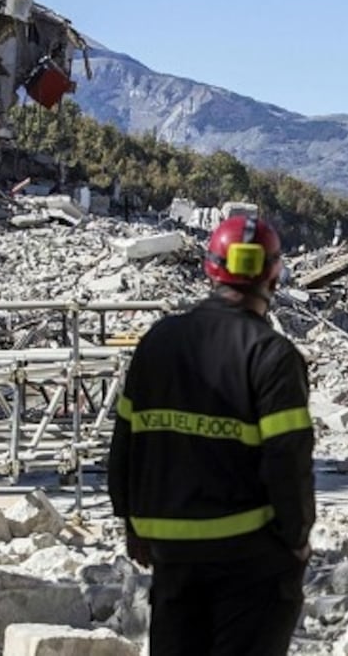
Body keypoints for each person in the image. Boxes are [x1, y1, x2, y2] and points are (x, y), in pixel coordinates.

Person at [108, 215, 315, 655]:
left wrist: (131, 521)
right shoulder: (273, 356)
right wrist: (297, 537)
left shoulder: (157, 342)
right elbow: (288, 460)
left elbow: (125, 441)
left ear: (210, 268)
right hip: (250, 560)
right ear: (274, 275)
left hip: (171, 557)